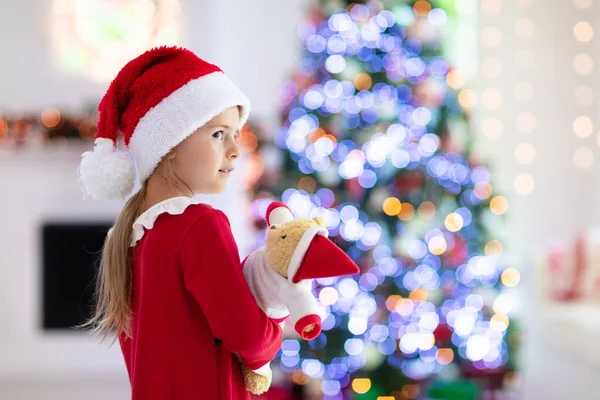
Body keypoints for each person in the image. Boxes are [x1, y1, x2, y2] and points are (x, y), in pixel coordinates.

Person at [77, 46, 285, 400]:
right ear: (170, 142)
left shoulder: (128, 234)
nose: (235, 149)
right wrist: (277, 306)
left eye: (236, 133)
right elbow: (249, 339)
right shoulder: (199, 225)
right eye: (219, 133)